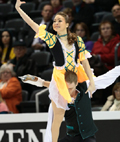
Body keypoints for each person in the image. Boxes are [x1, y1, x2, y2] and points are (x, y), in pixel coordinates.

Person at [15, 0, 95, 142]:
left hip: (76, 78)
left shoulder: (77, 40)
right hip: (60, 79)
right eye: (54, 21)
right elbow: (33, 25)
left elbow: (84, 61)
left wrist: (92, 82)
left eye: (59, 20)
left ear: (67, 23)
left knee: (81, 112)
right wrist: (18, 9)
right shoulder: (52, 40)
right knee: (57, 119)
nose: (56, 23)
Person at [20, 50, 120, 142]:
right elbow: (49, 85)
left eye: (71, 88)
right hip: (71, 137)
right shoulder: (61, 91)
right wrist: (35, 80)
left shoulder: (87, 87)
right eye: (65, 88)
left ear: (77, 83)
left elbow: (108, 77)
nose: (68, 91)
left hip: (88, 137)